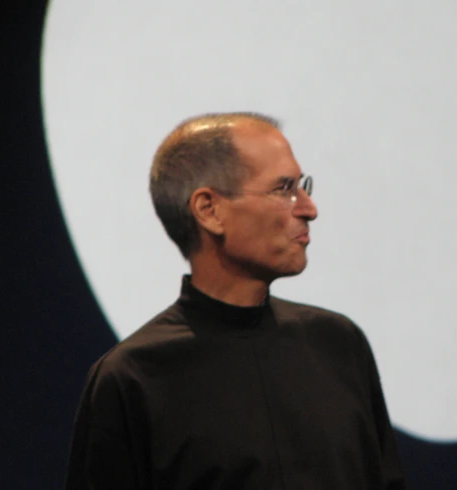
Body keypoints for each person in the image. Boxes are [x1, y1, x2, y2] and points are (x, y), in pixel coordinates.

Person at [65, 112, 406, 489]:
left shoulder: (340, 345)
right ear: (209, 210)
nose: (309, 209)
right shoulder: (133, 378)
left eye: (303, 185)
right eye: (284, 189)